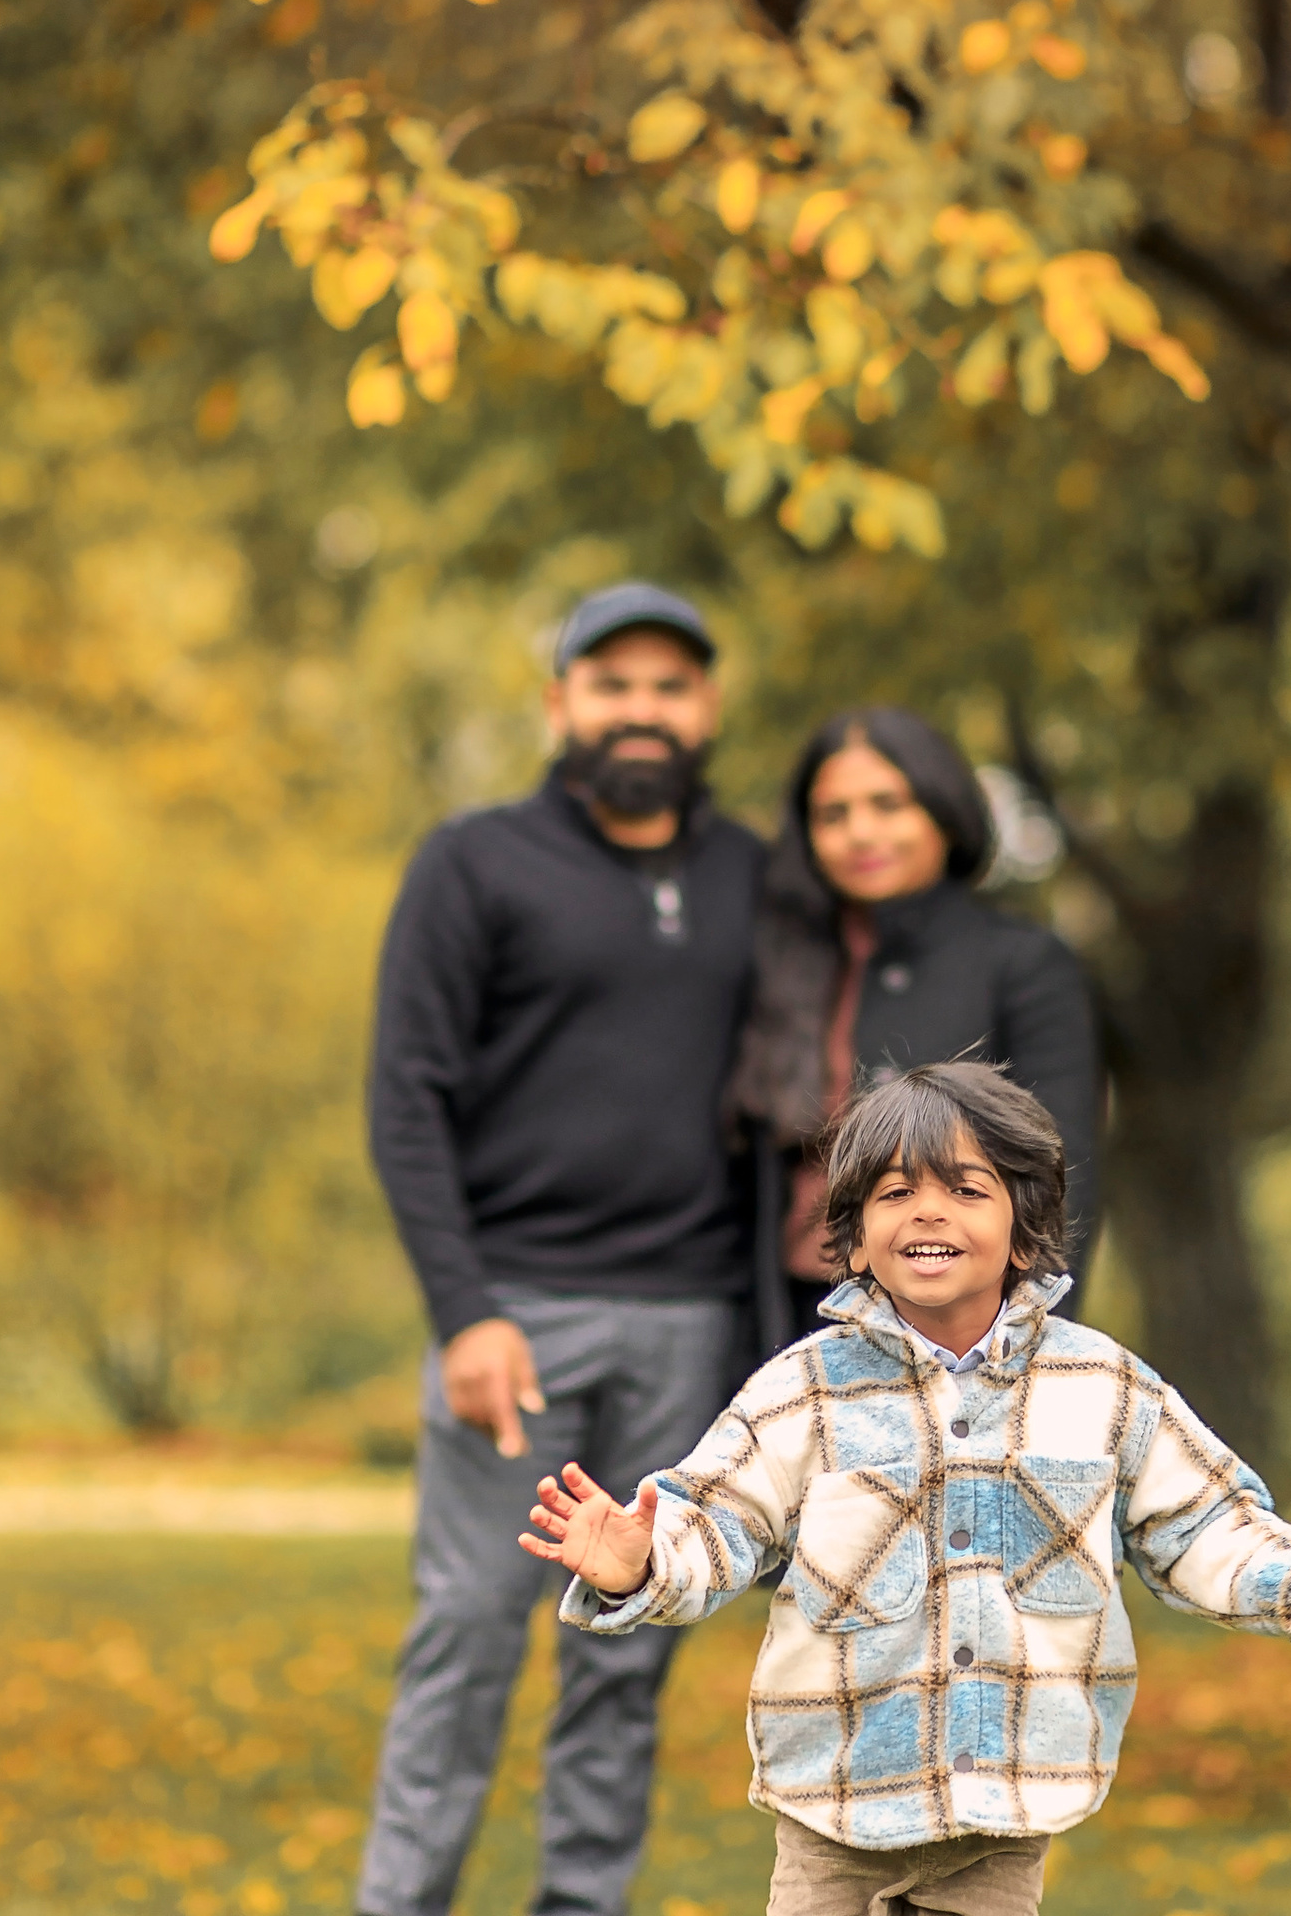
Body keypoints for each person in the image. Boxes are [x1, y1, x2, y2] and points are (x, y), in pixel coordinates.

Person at [517, 1061, 1291, 1916]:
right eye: (895, 1193)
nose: (927, 1212)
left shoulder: (1103, 1388)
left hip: (1008, 1807)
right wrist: (640, 1564)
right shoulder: (803, 1391)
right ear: (855, 1233)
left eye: (965, 1190)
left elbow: (1203, 1522)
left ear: (1025, 1229)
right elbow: (718, 1520)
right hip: (834, 1799)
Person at [358, 581, 764, 1916]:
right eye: (612, 683)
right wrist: (463, 1309)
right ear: (559, 704)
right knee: (467, 1636)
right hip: (515, 1319)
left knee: (625, 1657)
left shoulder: (755, 877)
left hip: (692, 1326)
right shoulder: (473, 864)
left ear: (705, 711)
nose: (640, 710)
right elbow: (405, 1096)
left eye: (669, 687)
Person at [728, 708, 1098, 1351]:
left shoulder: (1020, 963)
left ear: (944, 812)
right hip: (791, 1313)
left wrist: (1029, 1345)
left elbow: (1066, 1172)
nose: (860, 833)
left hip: (952, 1321)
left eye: (888, 804)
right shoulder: (787, 962)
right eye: (833, 814)